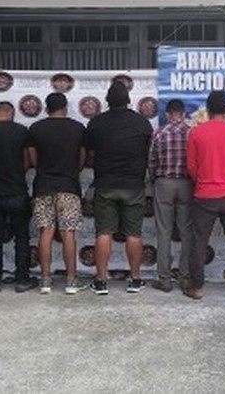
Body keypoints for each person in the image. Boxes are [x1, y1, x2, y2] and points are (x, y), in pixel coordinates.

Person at [84, 81, 153, 295]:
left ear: (107, 101)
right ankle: (134, 280)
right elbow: (146, 152)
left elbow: (89, 156)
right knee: (134, 233)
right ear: (129, 100)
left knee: (104, 232)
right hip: (133, 185)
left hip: (105, 185)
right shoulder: (142, 124)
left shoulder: (96, 124)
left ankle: (101, 281)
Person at [185, 91, 225, 300]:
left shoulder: (196, 133)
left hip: (205, 194)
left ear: (208, 110)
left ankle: (197, 287)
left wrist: (204, 180)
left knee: (199, 241)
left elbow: (191, 168)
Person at [27, 93, 86, 294]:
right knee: (68, 233)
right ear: (66, 107)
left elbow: (33, 160)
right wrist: (71, 172)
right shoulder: (78, 128)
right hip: (69, 186)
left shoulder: (35, 129)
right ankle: (71, 281)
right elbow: (82, 159)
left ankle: (45, 280)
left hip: (43, 185)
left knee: (46, 232)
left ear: (46, 108)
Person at [147, 99, 194, 292]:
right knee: (186, 231)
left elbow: (151, 161)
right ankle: (184, 276)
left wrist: (155, 179)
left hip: (164, 183)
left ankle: (164, 278)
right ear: (183, 114)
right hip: (186, 184)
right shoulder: (192, 133)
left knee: (164, 231)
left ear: (167, 114)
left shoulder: (159, 133)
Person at [0, 101, 37, 293]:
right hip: (16, 190)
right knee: (22, 237)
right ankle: (22, 279)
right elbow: (29, 161)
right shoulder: (22, 131)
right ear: (12, 113)